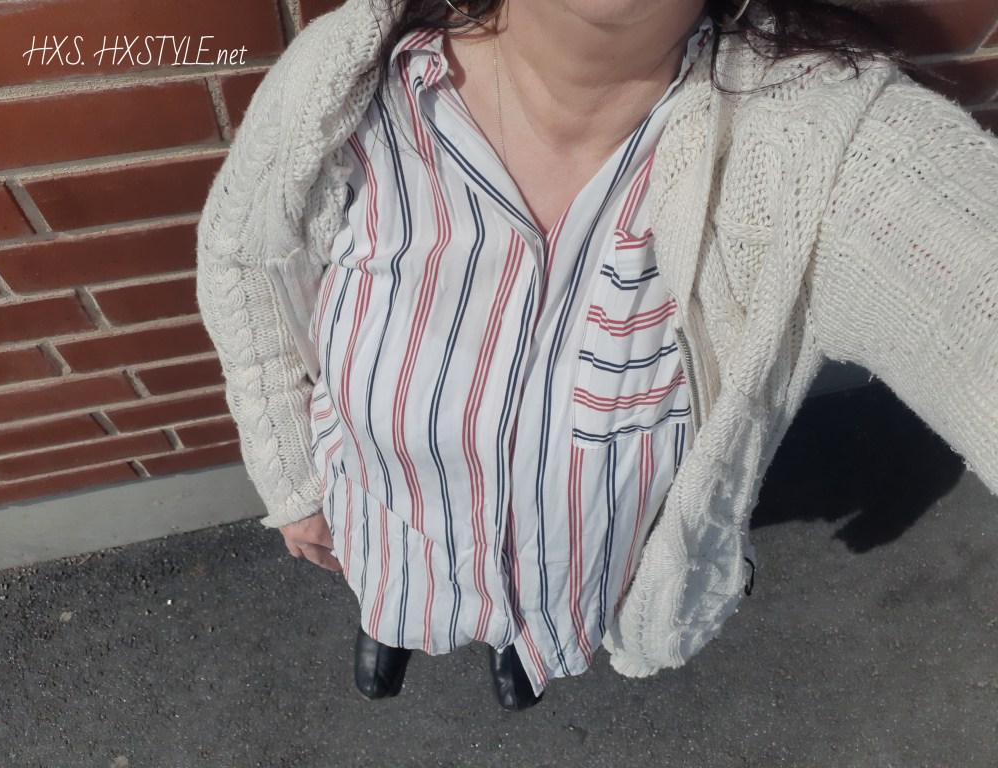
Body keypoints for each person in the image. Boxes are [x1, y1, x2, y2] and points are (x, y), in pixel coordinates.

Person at [195, 0, 998, 711]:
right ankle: (388, 625)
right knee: (389, 595)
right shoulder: (351, 80)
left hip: (569, 568)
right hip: (387, 524)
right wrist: (291, 478)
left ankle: (520, 648)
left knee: (530, 634)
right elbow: (241, 263)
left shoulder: (811, 151)